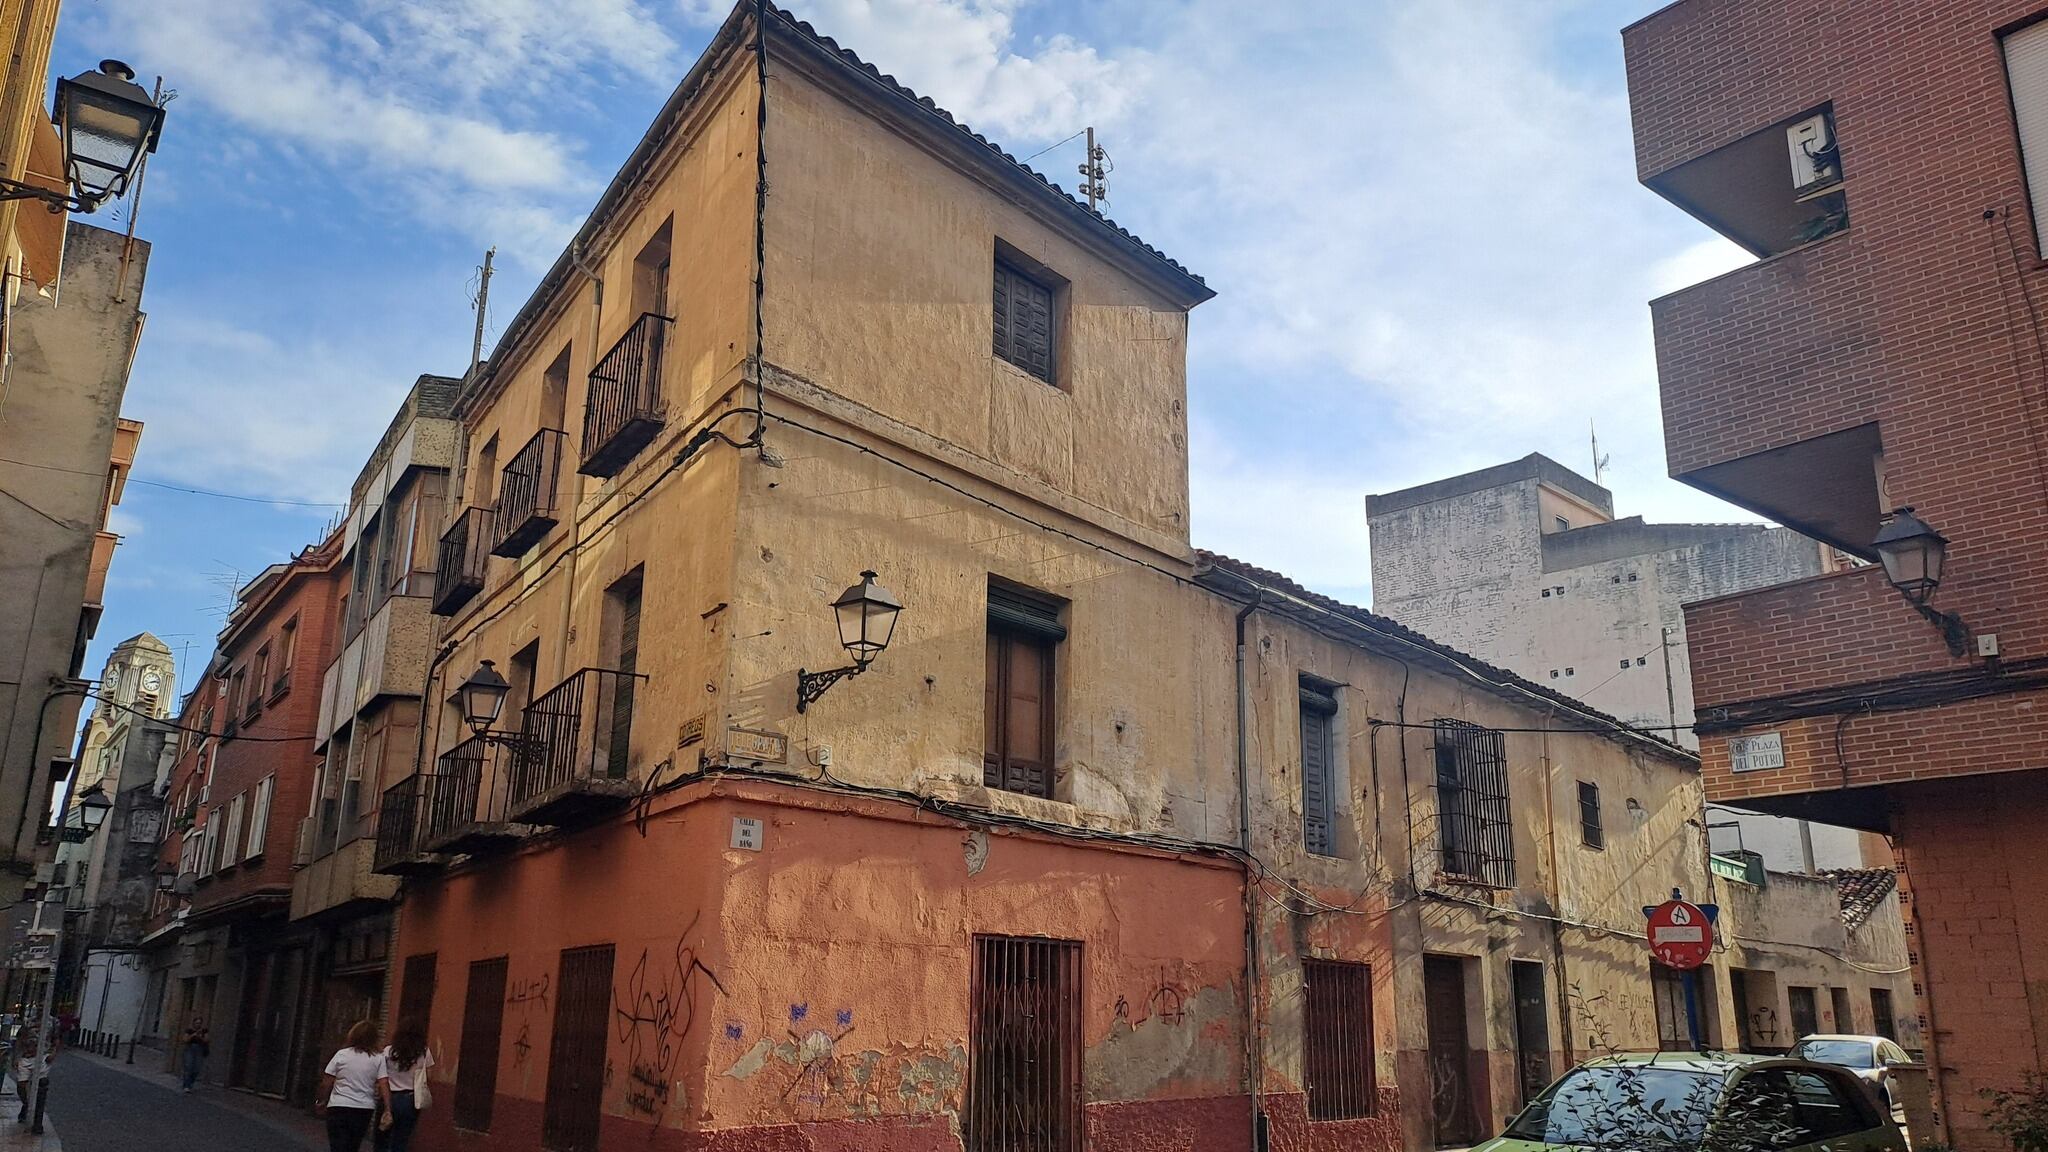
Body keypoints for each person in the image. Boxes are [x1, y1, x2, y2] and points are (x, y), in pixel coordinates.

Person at [318, 1020, 384, 1152]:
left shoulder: (341, 1055)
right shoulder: (378, 1058)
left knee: (337, 1144)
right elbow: (383, 1082)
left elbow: (327, 1082)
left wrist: (322, 1100)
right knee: (353, 1144)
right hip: (363, 1107)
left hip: (338, 1105)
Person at [374, 1017, 432, 1152]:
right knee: (401, 1139)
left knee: (382, 1137)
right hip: (410, 1100)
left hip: (388, 1098)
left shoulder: (388, 1051)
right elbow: (427, 1076)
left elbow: (380, 1074)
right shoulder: (424, 1052)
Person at [179, 1017, 210, 1092]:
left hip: (200, 1049)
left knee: (197, 1068)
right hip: (190, 1049)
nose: (198, 1024)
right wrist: (193, 1035)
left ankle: (191, 1082)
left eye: (199, 1023)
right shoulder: (189, 1030)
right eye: (197, 1023)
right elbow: (185, 1040)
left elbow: (207, 1040)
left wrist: (199, 1036)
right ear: (194, 1023)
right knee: (189, 1067)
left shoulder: (204, 1031)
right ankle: (186, 1085)